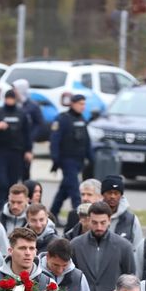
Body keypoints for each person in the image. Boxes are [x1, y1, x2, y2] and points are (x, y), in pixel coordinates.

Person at [71, 201, 137, 291]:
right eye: (94, 222)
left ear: (109, 220)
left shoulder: (124, 247)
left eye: (103, 222)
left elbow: (130, 281)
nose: (99, 227)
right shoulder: (75, 245)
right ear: (89, 220)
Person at [49, 95, 92, 225]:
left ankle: (52, 215)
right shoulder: (62, 119)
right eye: (80, 104)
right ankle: (80, 218)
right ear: (72, 104)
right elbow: (54, 140)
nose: (82, 107)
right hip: (67, 160)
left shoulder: (82, 119)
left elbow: (86, 140)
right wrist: (56, 159)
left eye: (84, 104)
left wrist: (91, 158)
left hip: (78, 160)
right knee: (75, 190)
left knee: (64, 190)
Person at [0, 89, 33, 209]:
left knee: (13, 182)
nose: (10, 101)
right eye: (8, 98)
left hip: (17, 152)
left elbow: (27, 133)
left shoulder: (22, 113)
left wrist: (29, 150)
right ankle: (1, 206)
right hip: (1, 151)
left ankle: (11, 205)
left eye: (12, 99)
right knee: (1, 181)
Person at [12, 80, 46, 177]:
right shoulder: (13, 104)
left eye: (15, 89)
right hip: (13, 143)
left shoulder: (33, 106)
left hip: (26, 144)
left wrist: (30, 137)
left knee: (24, 172)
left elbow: (39, 123)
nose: (14, 91)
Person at [100, 175, 143, 249]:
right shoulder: (93, 215)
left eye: (116, 193)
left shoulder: (131, 220)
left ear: (121, 195)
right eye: (109, 193)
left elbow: (137, 248)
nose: (112, 196)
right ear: (103, 194)